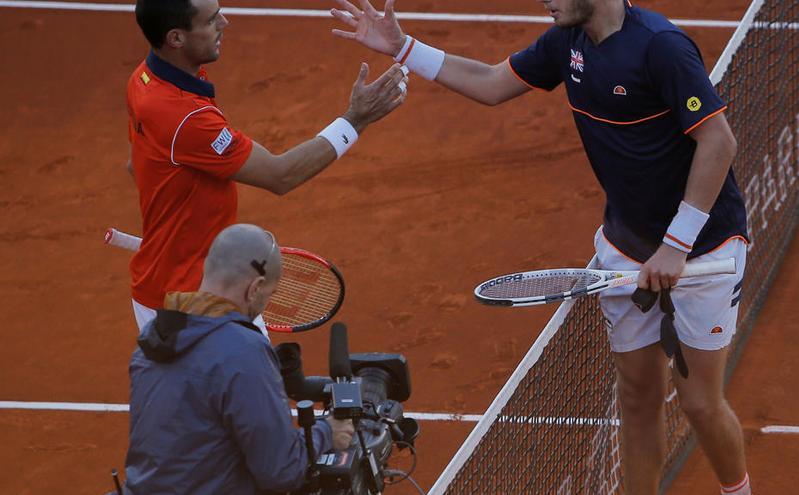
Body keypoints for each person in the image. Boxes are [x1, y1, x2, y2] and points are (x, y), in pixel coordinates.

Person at [330, 0, 751, 493]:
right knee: (637, 397)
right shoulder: (565, 42)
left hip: (703, 247)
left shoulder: (661, 48)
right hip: (626, 246)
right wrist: (403, 48)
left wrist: (676, 245)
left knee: (699, 403)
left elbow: (718, 142)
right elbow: (490, 84)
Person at [126, 0, 408, 334]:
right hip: (194, 305)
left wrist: (172, 235)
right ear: (176, 38)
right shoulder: (185, 116)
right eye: (212, 20)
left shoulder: (145, 79)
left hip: (183, 282)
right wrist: (355, 121)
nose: (226, 23)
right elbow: (281, 174)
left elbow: (137, 166)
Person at [124, 223, 355, 494]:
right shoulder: (244, 351)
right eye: (268, 295)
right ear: (255, 288)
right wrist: (327, 432)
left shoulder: (153, 339)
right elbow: (282, 473)